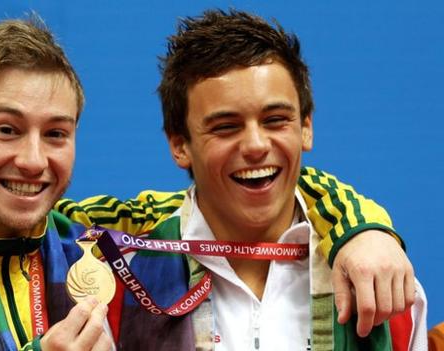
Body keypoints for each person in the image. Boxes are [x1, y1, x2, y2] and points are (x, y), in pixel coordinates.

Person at [0, 15, 417, 351]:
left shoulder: (92, 243)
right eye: (7, 129)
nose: (33, 161)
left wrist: (361, 223)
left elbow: (258, 190)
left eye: (55, 134)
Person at [55, 9, 428, 350]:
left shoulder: (384, 281)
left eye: (275, 120)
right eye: (226, 127)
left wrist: (365, 229)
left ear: (306, 127)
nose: (255, 145)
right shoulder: (116, 283)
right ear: (179, 144)